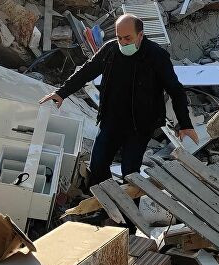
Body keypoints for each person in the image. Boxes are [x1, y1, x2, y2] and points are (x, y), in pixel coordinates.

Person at [39, 14, 199, 189]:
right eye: (119, 37)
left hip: (140, 125)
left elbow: (175, 90)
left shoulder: (156, 56)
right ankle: (105, 208)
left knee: (130, 173)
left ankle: (130, 214)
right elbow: (86, 72)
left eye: (128, 38)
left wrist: (185, 124)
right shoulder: (110, 50)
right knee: (97, 166)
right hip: (111, 120)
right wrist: (61, 93)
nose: (123, 42)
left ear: (140, 35)